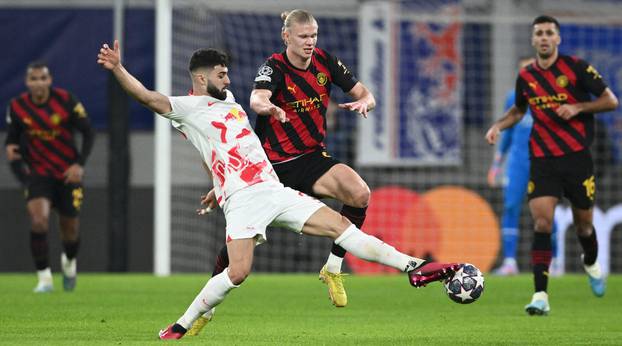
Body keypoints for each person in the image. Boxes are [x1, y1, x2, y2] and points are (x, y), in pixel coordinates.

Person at [97, 40, 460, 340]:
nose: (226, 78)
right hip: (242, 200)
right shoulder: (187, 107)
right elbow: (146, 97)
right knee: (238, 272)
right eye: (220, 74)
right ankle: (181, 325)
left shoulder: (227, 101)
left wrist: (215, 182)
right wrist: (117, 68)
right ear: (201, 77)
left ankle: (415, 266)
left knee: (341, 227)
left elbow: (224, 150)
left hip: (273, 188)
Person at [196, 9, 375, 326]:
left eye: (314, 35)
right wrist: (270, 107)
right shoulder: (273, 66)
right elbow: (256, 98)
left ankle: (332, 269)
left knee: (359, 193)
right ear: (286, 37)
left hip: (310, 159)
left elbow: (364, 93)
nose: (310, 42)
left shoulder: (325, 62)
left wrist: (365, 101)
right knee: (240, 243)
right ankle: (206, 307)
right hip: (268, 168)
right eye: (304, 36)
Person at [485, 15, 618, 315]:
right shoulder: (527, 77)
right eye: (539, 33)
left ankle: (591, 262)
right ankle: (540, 296)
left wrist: (579, 107)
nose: (544, 38)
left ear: (557, 39)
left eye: (549, 33)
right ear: (533, 40)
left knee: (584, 226)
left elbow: (610, 100)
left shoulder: (577, 68)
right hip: (542, 159)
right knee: (542, 222)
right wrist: (498, 126)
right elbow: (518, 111)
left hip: (576, 158)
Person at [4, 61, 95, 293]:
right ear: (27, 82)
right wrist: (24, 178)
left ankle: (69, 262)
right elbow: (11, 146)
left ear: (49, 80)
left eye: (42, 78)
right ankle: (44, 279)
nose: (38, 83)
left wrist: (79, 165)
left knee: (70, 229)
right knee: (38, 221)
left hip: (67, 174)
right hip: (38, 174)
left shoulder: (66, 101)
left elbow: (88, 132)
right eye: (33, 79)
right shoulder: (17, 107)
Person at [488, 57, 561, 277]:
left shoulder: (552, 98)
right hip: (518, 163)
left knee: (547, 212)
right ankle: (510, 262)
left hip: (544, 162)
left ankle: (554, 261)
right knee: (510, 207)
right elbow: (508, 132)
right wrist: (496, 164)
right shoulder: (513, 97)